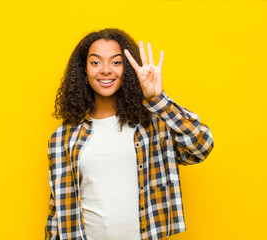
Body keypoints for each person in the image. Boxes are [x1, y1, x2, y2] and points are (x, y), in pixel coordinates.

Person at [45, 28, 214, 240]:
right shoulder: (63, 138)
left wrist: (157, 99)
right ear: (84, 71)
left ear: (128, 70)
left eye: (116, 62)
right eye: (95, 62)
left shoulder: (153, 125)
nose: (106, 70)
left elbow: (201, 146)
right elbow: (58, 209)